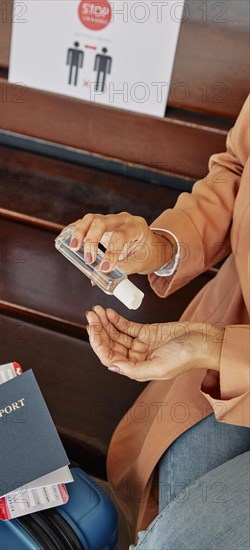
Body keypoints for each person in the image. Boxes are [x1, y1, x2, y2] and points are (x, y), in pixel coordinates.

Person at [64, 95, 249, 548]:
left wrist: (213, 348)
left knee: (179, 540)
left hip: (229, 351)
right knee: (173, 495)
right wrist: (160, 246)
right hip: (233, 336)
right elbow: (236, 170)